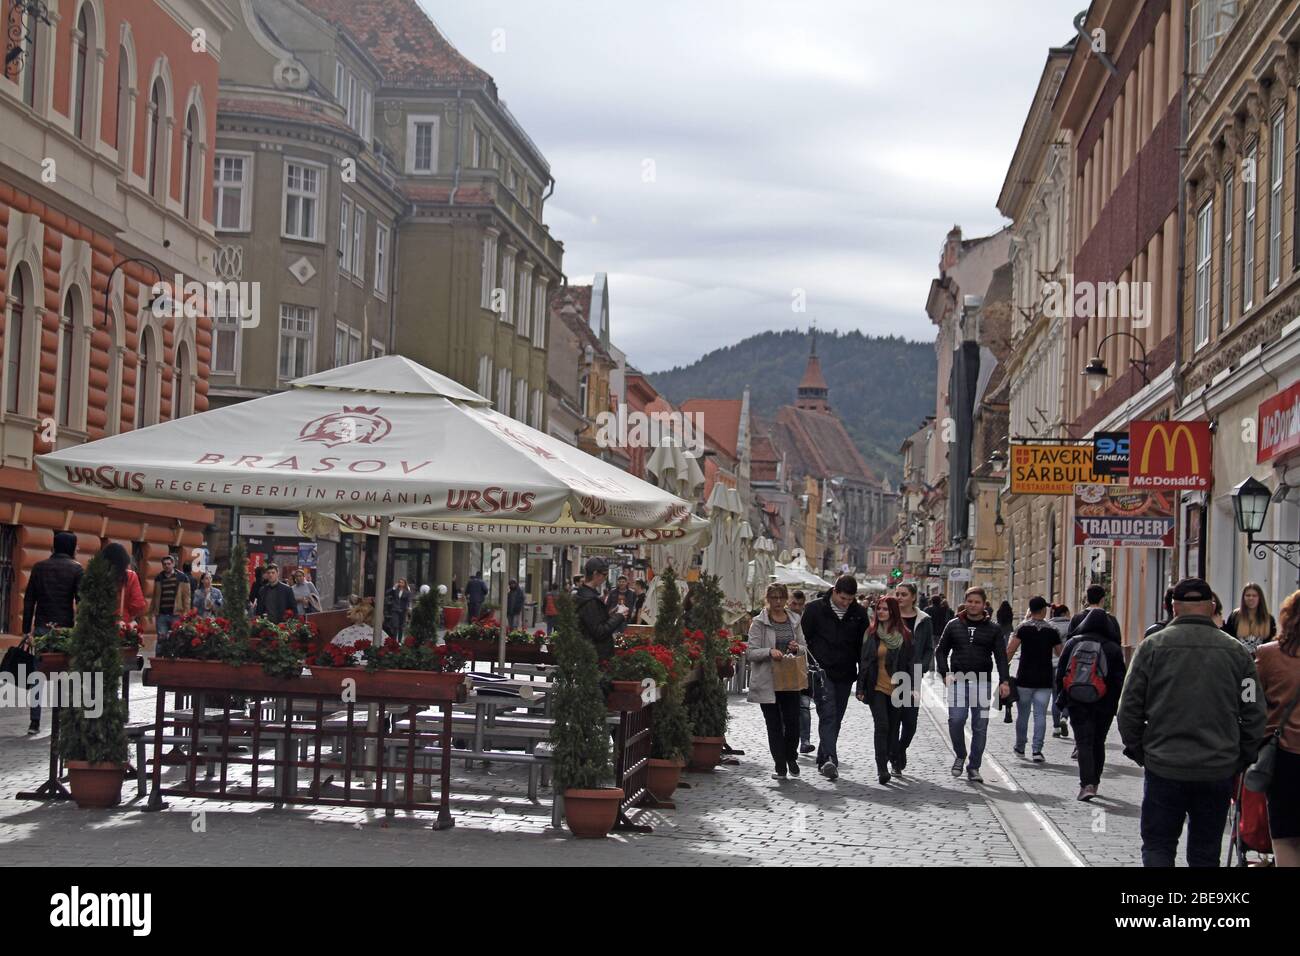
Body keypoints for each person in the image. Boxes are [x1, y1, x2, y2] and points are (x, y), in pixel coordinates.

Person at [1117, 577, 1268, 867]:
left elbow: (1129, 708)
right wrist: (1241, 755)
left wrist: (1140, 749)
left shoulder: (1151, 648)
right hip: (1216, 766)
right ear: (1212, 607)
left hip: (1164, 764)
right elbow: (1253, 708)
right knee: (1205, 852)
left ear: (1174, 608)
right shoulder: (1237, 653)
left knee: (1159, 846)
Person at [935, 586, 1010, 783]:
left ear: (984, 604)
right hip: (958, 681)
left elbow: (1001, 657)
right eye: (970, 601)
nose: (973, 605)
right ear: (965, 602)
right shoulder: (953, 625)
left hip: (983, 683)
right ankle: (960, 754)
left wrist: (1004, 681)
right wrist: (944, 674)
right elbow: (941, 651)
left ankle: (974, 767)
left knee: (980, 726)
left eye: (977, 602)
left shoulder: (993, 629)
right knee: (956, 720)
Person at [800, 575, 869, 780]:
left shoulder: (858, 613)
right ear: (835, 591)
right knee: (828, 713)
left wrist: (863, 678)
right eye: (843, 599)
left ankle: (823, 759)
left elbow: (862, 647)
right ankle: (831, 758)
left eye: (850, 599)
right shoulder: (815, 609)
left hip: (846, 672)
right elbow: (804, 639)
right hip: (821, 671)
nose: (846, 603)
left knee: (836, 717)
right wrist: (807, 667)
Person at [21, 531, 82, 734]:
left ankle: (34, 721)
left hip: (41, 628)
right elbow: (81, 601)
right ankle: (60, 719)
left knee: (37, 675)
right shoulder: (76, 569)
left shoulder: (39, 568)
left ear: (54, 546)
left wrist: (25, 630)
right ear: (71, 547)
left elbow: (29, 600)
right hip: (65, 629)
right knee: (63, 674)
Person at [1256, 590, 1300, 868]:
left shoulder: (1268, 655)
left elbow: (1251, 702)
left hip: (1284, 757)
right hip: (1284, 756)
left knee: (1285, 838)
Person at [747, 584, 807, 779]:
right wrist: (769, 652)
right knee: (773, 724)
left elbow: (804, 647)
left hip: (789, 677)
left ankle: (791, 756)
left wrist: (796, 647)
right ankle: (780, 765)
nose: (778, 602)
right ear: (768, 599)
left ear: (786, 599)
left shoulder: (794, 620)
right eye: (774, 598)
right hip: (768, 680)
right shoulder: (759, 622)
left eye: (781, 597)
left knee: (793, 723)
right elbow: (750, 652)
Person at [856, 594, 915, 784]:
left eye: (885, 609)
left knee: (893, 727)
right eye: (878, 608)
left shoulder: (904, 635)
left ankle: (893, 756)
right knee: (881, 725)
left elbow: (910, 664)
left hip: (898, 687)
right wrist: (861, 686)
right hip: (877, 687)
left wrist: (912, 687)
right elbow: (864, 662)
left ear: (893, 612)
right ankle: (882, 768)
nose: (881, 612)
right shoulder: (870, 633)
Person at [1007, 596, 1062, 762]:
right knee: (1040, 716)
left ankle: (1020, 746)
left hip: (1024, 677)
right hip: (1045, 679)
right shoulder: (1052, 630)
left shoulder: (1022, 628)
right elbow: (1061, 653)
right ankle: (1037, 750)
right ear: (1044, 610)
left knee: (1023, 715)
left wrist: (1004, 669)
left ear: (1030, 610)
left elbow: (1010, 650)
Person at [893, 583, 933, 769]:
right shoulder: (890, 617)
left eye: (904, 594)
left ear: (913, 597)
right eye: (897, 594)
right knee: (893, 719)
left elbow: (928, 649)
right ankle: (894, 756)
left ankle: (901, 748)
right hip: (892, 674)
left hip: (913, 677)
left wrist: (922, 667)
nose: (899, 597)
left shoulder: (924, 620)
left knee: (910, 721)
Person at [574, 557, 627, 661]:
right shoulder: (590, 600)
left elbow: (594, 621)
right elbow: (600, 632)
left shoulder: (584, 595)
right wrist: (619, 616)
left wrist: (611, 614)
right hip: (595, 657)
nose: (605, 578)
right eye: (604, 574)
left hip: (589, 654)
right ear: (595, 574)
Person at [787, 589, 816, 755]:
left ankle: (805, 741)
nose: (796, 607)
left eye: (799, 604)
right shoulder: (783, 618)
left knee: (804, 706)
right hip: (785, 668)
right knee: (787, 708)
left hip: (804, 668)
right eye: (793, 603)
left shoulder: (807, 618)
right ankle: (788, 740)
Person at [147, 554, 191, 643]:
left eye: (169, 564)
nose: (167, 566)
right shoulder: (159, 578)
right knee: (161, 638)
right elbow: (155, 596)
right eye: (165, 564)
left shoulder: (182, 578)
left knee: (176, 639)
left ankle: (174, 656)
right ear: (162, 565)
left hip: (176, 614)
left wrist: (186, 613)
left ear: (173, 564)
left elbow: (186, 597)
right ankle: (159, 656)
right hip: (162, 614)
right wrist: (151, 612)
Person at [1224, 582, 1276, 656]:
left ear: (1260, 598)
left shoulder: (1269, 619)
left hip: (1260, 662)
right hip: (1238, 661)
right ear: (1243, 597)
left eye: (1254, 596)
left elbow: (1271, 643)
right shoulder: (1235, 616)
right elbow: (1229, 639)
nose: (1251, 598)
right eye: (1248, 595)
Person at [1048, 603, 1072, 737]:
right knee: (1067, 693)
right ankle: (1064, 717)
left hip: (1051, 665)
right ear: (1064, 614)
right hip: (1066, 665)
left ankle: (1056, 727)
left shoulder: (1048, 626)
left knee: (1055, 695)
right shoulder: (1072, 626)